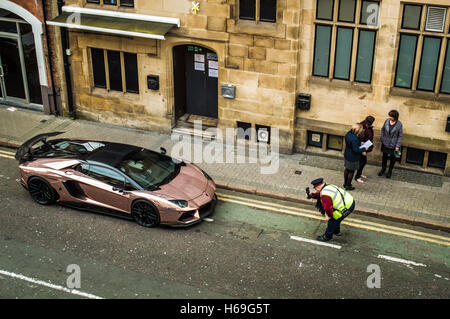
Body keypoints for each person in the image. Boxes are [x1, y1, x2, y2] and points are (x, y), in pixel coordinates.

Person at [379, 110, 403, 179]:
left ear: (395, 117)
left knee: (393, 158)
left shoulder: (399, 124)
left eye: (391, 116)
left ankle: (390, 171)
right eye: (389, 116)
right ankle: (383, 169)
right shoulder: (387, 121)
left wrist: (397, 146)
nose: (390, 117)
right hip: (385, 143)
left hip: (393, 144)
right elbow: (382, 129)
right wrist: (382, 137)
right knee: (384, 157)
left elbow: (400, 135)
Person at [344, 123, 368, 190]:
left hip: (347, 154)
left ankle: (345, 183)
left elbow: (352, 145)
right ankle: (348, 186)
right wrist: (364, 149)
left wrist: (360, 143)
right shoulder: (354, 138)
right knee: (351, 171)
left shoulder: (349, 133)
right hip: (353, 157)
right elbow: (356, 149)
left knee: (347, 169)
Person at [355, 116, 375, 183]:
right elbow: (359, 138)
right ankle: (357, 177)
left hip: (366, 146)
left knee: (362, 162)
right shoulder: (361, 127)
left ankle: (359, 174)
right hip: (362, 147)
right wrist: (363, 150)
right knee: (362, 162)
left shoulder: (367, 126)